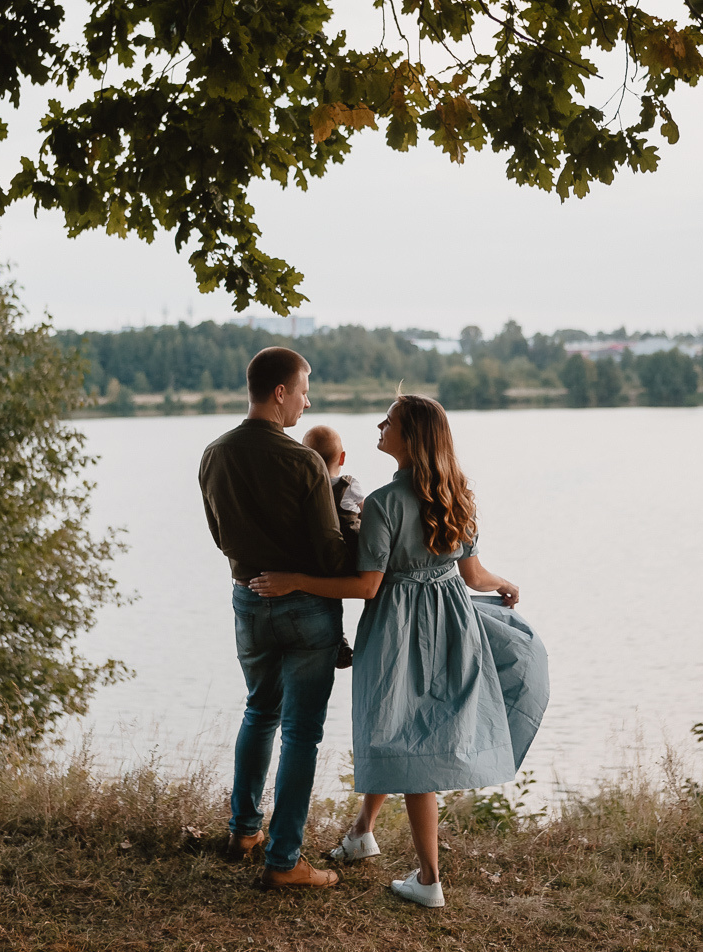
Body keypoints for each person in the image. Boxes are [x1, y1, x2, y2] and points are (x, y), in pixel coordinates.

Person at [250, 394, 549, 908]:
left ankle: (429, 880)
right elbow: (472, 575)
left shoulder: (385, 504)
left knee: (408, 739)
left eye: (389, 421)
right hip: (452, 621)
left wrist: (293, 580)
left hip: (399, 630)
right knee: (403, 729)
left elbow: (367, 587)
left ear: (411, 437)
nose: (380, 425)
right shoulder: (458, 494)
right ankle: (363, 831)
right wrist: (504, 584)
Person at [198, 346, 352, 890]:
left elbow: (220, 537)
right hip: (305, 608)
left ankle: (244, 831)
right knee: (302, 733)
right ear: (280, 392)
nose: (307, 403)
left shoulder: (214, 454)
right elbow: (330, 555)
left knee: (259, 711)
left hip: (246, 599)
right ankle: (285, 860)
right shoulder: (304, 462)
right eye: (304, 390)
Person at [302, 424, 365, 668]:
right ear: (342, 457)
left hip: (317, 559)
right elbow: (367, 515)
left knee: (328, 598)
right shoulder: (348, 485)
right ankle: (340, 640)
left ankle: (338, 639)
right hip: (351, 555)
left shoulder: (303, 488)